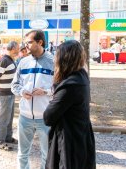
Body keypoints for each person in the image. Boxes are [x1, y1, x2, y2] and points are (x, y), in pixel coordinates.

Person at [43, 40, 96, 169]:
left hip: (69, 143)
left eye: (57, 55)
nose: (55, 59)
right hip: (79, 137)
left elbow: (48, 117)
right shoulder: (81, 76)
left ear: (64, 58)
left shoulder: (70, 85)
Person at [11, 29, 54, 169]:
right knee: (22, 154)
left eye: (29, 42)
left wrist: (46, 91)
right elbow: (14, 85)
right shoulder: (23, 62)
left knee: (47, 155)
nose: (26, 46)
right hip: (25, 117)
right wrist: (22, 92)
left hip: (45, 118)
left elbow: (60, 88)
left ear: (40, 42)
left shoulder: (53, 61)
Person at [0, 41, 20, 151]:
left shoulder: (11, 60)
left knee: (9, 117)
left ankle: (8, 137)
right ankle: (1, 141)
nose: (19, 50)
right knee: (4, 118)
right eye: (17, 48)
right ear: (13, 48)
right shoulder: (4, 61)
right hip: (4, 94)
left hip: (11, 93)